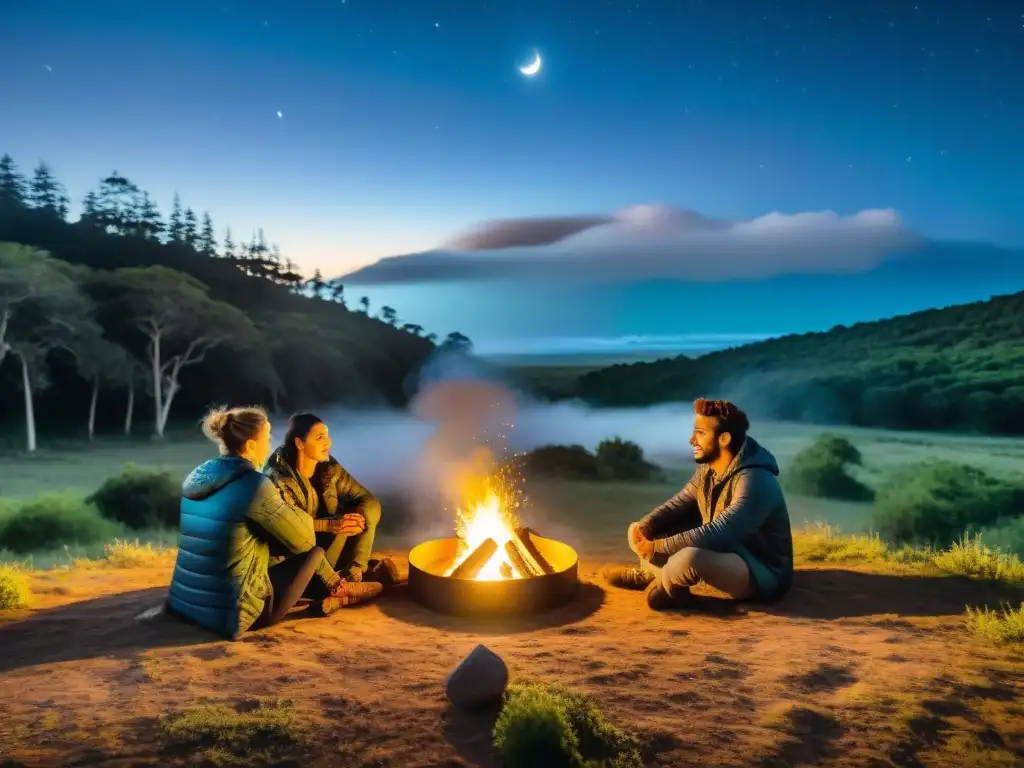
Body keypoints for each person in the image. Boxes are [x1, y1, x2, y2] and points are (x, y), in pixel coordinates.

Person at [166, 406, 382, 641]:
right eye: (266, 438)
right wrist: (329, 525)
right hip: (240, 613)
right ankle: (341, 589)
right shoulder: (257, 485)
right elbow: (304, 540)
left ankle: (344, 585)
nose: (270, 444)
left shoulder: (199, 477)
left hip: (187, 602)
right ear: (250, 446)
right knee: (312, 552)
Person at [605, 398, 793, 611]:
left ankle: (666, 586)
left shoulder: (755, 480)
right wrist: (645, 527)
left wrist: (656, 548)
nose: (691, 440)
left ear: (723, 439)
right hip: (724, 553)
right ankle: (659, 577)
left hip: (758, 569)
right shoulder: (709, 469)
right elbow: (680, 502)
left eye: (700, 433)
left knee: (689, 558)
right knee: (656, 531)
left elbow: (721, 533)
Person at [264, 413, 401, 586]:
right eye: (320, 438)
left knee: (359, 513)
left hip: (326, 551)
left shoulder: (328, 468)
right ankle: (333, 586)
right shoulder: (277, 480)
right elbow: (290, 531)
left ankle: (353, 575)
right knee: (339, 524)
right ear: (300, 443)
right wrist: (332, 525)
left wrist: (359, 517)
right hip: (293, 561)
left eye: (327, 436)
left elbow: (367, 500)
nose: (328, 443)